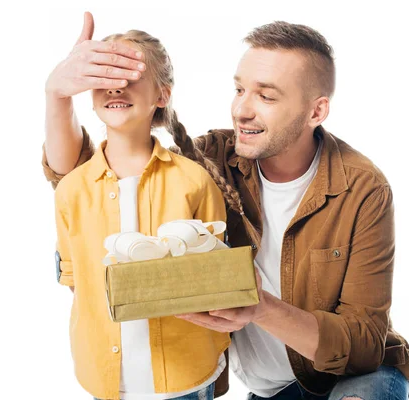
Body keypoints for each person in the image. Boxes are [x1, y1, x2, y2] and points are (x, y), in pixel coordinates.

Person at [44, 12, 409, 400]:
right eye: (240, 89)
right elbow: (97, 180)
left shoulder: (362, 188)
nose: (242, 110)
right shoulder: (211, 160)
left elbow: (365, 345)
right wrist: (58, 95)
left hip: (348, 378)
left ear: (316, 112)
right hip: (266, 390)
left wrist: (258, 307)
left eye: (266, 96)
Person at [48, 17, 257, 400]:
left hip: (187, 374)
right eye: (105, 76)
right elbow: (77, 282)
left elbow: (214, 277)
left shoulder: (193, 181)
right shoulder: (73, 190)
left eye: (129, 75)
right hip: (106, 376)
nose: (115, 85)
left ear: (162, 95)